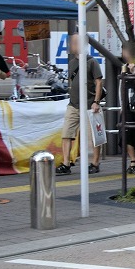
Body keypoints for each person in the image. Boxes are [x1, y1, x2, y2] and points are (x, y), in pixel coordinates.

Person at [56, 34, 104, 175]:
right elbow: (72, 82)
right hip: (74, 104)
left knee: (96, 135)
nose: (72, 44)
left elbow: (99, 82)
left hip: (90, 105)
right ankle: (66, 163)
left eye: (76, 42)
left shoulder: (92, 62)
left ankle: (95, 163)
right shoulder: (71, 63)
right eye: (72, 42)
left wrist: (96, 102)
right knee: (66, 133)